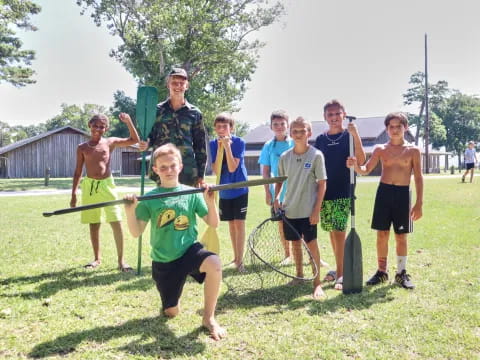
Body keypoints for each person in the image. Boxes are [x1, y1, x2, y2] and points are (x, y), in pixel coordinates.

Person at [123, 143, 226, 341]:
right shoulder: (150, 199)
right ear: (155, 170)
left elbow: (213, 223)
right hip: (164, 260)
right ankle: (172, 300)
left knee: (214, 263)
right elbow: (136, 232)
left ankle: (209, 318)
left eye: (172, 166)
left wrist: (211, 201)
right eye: (163, 167)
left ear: (180, 166)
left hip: (189, 250)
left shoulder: (191, 193)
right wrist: (130, 211)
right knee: (171, 312)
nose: (168, 170)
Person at [347, 112, 423, 289]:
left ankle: (401, 273)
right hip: (384, 193)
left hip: (403, 194)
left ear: (405, 127)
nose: (395, 130)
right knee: (382, 234)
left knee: (401, 236)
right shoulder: (380, 149)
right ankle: (382, 272)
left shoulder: (413, 150)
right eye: (391, 127)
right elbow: (365, 169)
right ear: (387, 129)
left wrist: (419, 203)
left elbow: (418, 177)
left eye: (398, 126)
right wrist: (355, 165)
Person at [71, 113, 140, 271]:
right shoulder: (82, 148)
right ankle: (96, 259)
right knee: (94, 224)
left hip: (107, 186)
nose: (98, 129)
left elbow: (134, 140)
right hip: (89, 187)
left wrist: (129, 121)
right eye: (95, 125)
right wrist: (74, 193)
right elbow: (77, 171)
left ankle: (121, 261)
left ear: (106, 128)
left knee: (115, 221)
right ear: (89, 125)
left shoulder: (110, 142)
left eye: (102, 127)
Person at [314, 100, 366, 291]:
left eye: (337, 114)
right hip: (325, 191)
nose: (334, 118)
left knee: (340, 231)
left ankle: (343, 274)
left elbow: (361, 160)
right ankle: (338, 269)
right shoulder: (320, 139)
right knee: (332, 231)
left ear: (344, 114)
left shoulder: (350, 136)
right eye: (330, 115)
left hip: (343, 190)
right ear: (325, 117)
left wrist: (356, 135)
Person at [274, 116, 327, 299]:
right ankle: (299, 275)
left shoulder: (316, 155)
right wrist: (276, 197)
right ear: (291, 133)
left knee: (311, 244)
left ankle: (317, 282)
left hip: (308, 211)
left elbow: (322, 184)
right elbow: (280, 181)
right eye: (295, 131)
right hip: (290, 209)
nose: (298, 134)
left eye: (302, 131)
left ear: (309, 133)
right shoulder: (284, 157)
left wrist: (316, 210)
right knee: (295, 243)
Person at [139, 67, 207, 187]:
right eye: (174, 83)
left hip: (187, 170)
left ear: (187, 86)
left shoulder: (195, 113)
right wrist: (146, 143)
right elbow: (150, 136)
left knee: (187, 205)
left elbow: (200, 147)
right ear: (168, 85)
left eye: (182, 83)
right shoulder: (156, 111)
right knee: (165, 205)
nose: (178, 86)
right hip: (163, 169)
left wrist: (201, 175)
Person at [209, 113, 248, 272]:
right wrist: (220, 149)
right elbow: (216, 170)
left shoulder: (239, 142)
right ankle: (235, 258)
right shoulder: (213, 144)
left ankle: (241, 261)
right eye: (218, 127)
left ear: (231, 128)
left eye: (225, 126)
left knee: (239, 224)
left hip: (239, 189)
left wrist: (227, 147)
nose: (221, 129)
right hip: (224, 190)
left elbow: (232, 167)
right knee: (231, 224)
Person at [258, 110, 294, 263]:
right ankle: (288, 255)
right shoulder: (268, 146)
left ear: (288, 125)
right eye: (275, 124)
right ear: (271, 127)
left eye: (282, 124)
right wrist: (268, 193)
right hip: (277, 192)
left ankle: (309, 255)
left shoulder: (294, 142)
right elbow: (265, 171)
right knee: (282, 223)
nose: (279, 127)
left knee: (301, 223)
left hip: (295, 190)